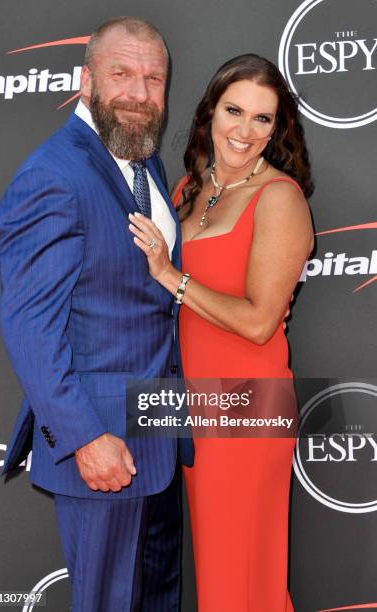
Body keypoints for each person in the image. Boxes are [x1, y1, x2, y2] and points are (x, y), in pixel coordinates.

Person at [0, 16, 193, 612]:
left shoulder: (140, 157)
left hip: (159, 440)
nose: (139, 93)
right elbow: (30, 328)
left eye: (153, 79)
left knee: (155, 600)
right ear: (86, 81)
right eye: (122, 74)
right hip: (103, 448)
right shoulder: (52, 177)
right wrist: (82, 439)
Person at [129, 54, 314, 611]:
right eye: (235, 110)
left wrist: (169, 274)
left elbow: (260, 322)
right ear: (211, 111)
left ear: (277, 128)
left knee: (240, 581)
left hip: (246, 406)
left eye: (263, 119)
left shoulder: (279, 197)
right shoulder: (189, 186)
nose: (245, 130)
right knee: (220, 577)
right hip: (190, 405)